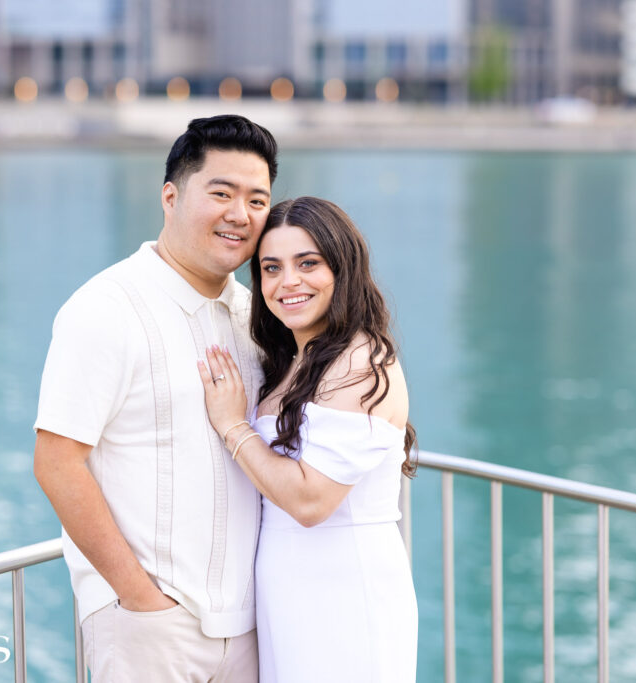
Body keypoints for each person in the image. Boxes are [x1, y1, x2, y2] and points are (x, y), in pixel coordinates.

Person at [33, 115, 278, 683]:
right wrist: (138, 598)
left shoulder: (255, 317)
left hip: (249, 624)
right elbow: (55, 460)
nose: (240, 214)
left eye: (257, 199)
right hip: (151, 625)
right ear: (170, 196)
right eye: (221, 193)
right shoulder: (106, 308)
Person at [197, 196, 419, 683]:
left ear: (343, 267)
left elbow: (310, 500)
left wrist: (233, 425)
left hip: (345, 591)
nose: (287, 282)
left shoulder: (362, 362)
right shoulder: (293, 361)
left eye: (308, 263)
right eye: (271, 268)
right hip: (289, 592)